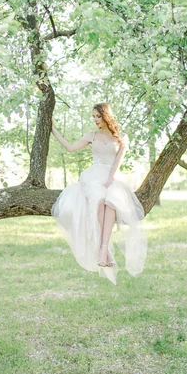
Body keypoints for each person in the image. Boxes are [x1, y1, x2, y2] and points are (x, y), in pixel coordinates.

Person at [51, 103, 147, 285]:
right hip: (93, 176)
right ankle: (105, 250)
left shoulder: (121, 137)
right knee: (99, 199)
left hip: (112, 176)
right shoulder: (91, 136)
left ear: (106, 116)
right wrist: (54, 130)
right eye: (93, 116)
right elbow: (70, 148)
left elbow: (117, 161)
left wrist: (111, 179)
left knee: (111, 201)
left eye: (97, 116)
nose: (95, 120)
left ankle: (103, 250)